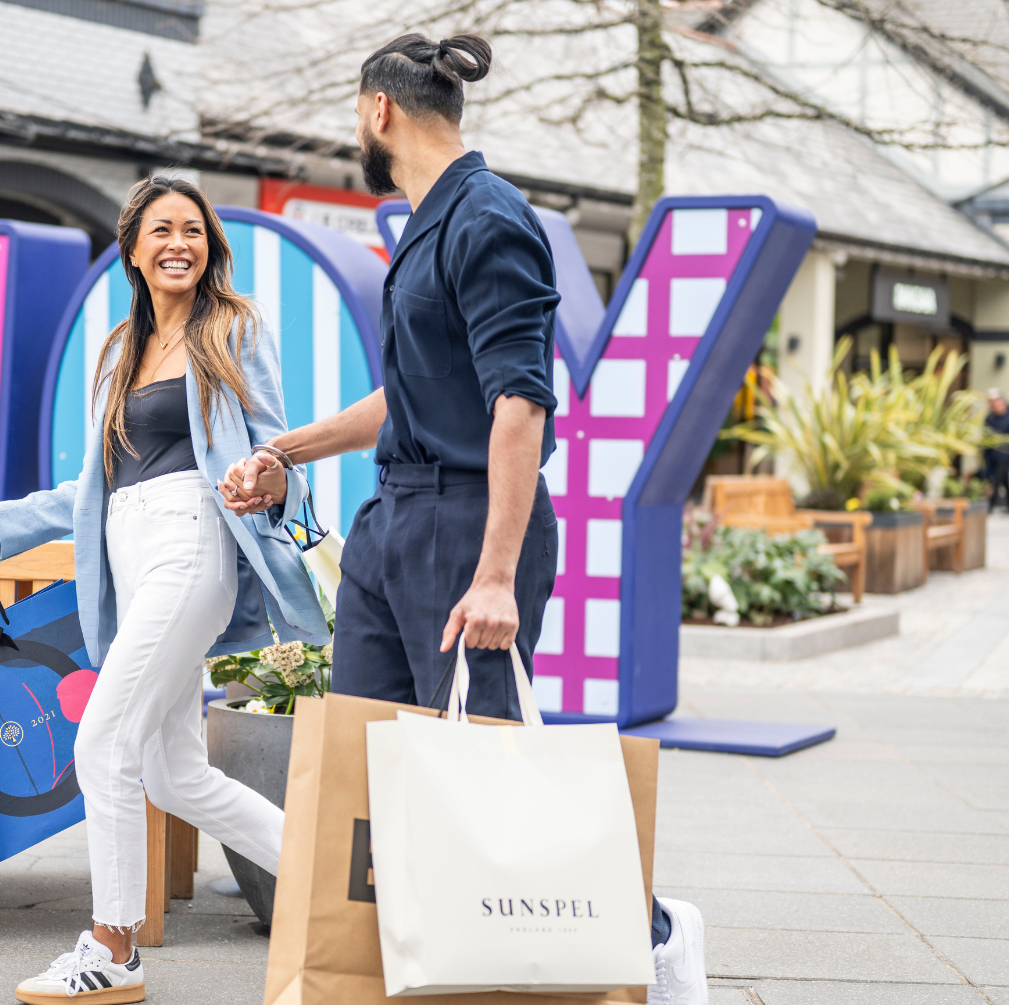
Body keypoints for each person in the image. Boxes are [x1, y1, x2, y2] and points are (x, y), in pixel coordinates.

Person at [216, 33, 707, 1005]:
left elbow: (520, 403)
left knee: (489, 773)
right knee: (368, 763)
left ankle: (651, 931)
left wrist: (494, 574)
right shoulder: (426, 224)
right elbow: (407, 396)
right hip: (394, 522)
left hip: (465, 526)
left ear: (379, 111)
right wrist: (285, 452)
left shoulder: (488, 219)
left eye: (356, 118)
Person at [0, 177, 329, 1004]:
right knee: (174, 774)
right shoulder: (122, 349)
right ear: (133, 249)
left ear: (210, 247)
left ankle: (113, 948)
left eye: (193, 230)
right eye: (162, 230)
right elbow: (95, 484)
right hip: (132, 550)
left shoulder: (234, 330)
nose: (179, 243)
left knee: (102, 742)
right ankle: (334, 880)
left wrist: (269, 477)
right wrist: (0, 518)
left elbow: (278, 450)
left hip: (191, 546)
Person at [982, 389, 1009, 514]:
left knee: (997, 480)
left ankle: (990, 506)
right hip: (992, 456)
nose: (994, 405)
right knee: (1005, 481)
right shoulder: (990, 418)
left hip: (1005, 456)